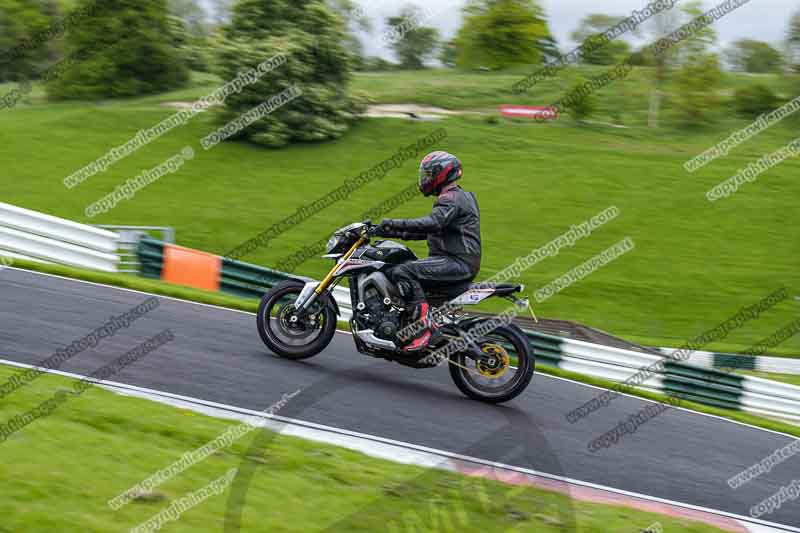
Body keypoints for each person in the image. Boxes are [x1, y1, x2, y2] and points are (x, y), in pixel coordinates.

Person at [374, 151, 482, 351]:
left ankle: (421, 331)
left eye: (429, 174)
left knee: (403, 270)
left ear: (442, 173)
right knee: (402, 266)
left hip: (456, 263)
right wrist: (387, 231)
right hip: (458, 262)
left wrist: (393, 222)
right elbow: (428, 231)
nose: (425, 178)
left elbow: (432, 223)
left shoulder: (451, 199)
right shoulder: (457, 197)